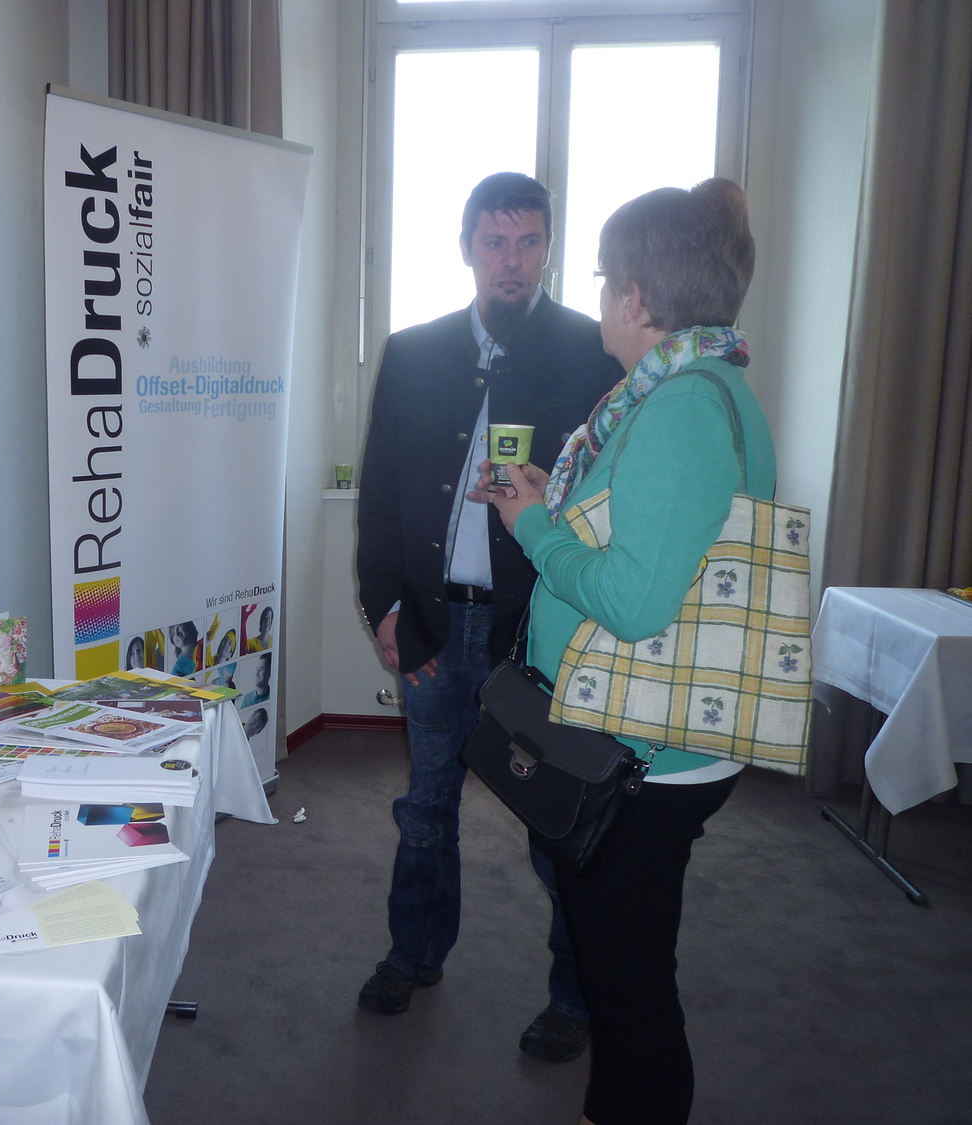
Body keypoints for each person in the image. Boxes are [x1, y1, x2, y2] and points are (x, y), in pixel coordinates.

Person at [485, 178, 766, 1124]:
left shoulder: (678, 407)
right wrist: (553, 506)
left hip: (646, 753)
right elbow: (653, 548)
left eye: (607, 279)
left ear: (638, 299)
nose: (600, 296)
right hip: (652, 737)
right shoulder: (698, 387)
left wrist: (532, 527)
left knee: (630, 985)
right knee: (620, 970)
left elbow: (638, 603)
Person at [355, 172, 623, 1059]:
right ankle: (414, 953)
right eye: (496, 241)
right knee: (425, 806)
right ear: (467, 247)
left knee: (556, 822)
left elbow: (611, 502)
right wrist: (385, 607)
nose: (513, 260)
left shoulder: (593, 355)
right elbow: (382, 492)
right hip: (435, 625)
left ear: (549, 248)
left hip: (537, 635)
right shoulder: (412, 351)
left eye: (529, 242)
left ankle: (576, 998)